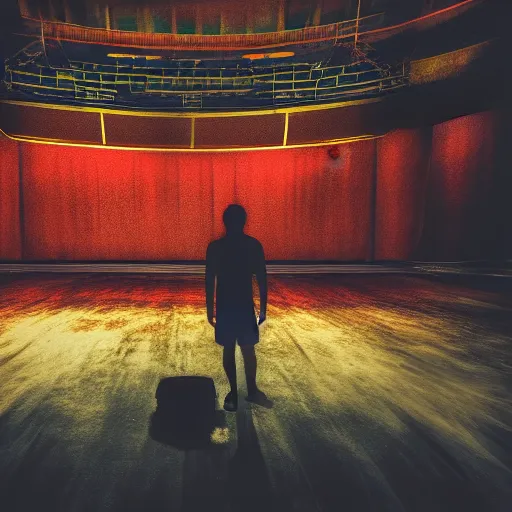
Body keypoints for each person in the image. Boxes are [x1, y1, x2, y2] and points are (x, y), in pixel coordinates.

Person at [205, 204, 268, 412]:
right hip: (244, 306)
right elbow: (261, 279)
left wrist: (210, 310)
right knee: (248, 350)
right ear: (244, 221)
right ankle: (251, 389)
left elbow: (209, 280)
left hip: (225, 306)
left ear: (225, 222)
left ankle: (233, 391)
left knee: (229, 349)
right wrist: (263, 309)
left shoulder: (215, 248)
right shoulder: (253, 246)